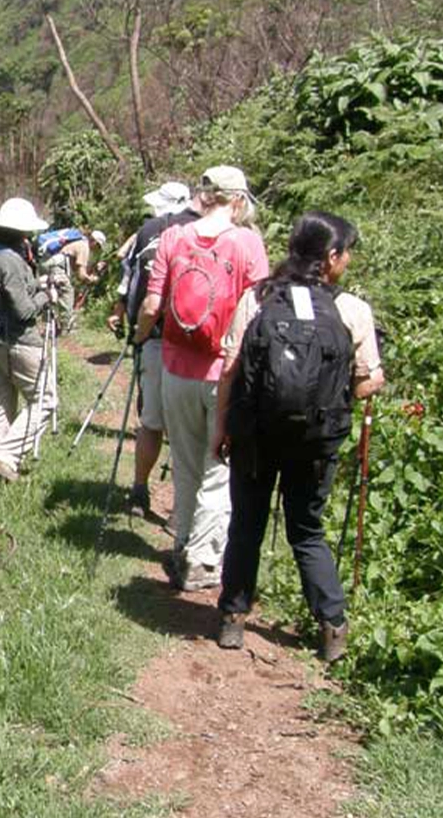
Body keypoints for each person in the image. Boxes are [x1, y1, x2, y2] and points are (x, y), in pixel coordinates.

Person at [213, 212, 383, 661]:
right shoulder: (352, 310)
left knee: (247, 524)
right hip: (315, 441)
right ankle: (332, 629)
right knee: (307, 530)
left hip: (255, 434)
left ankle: (232, 619)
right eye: (346, 252)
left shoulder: (259, 299)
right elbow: (365, 382)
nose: (347, 260)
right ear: (331, 257)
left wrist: (222, 427)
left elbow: (231, 370)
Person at [135, 167, 268, 592]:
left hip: (176, 367)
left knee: (188, 464)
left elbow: (153, 302)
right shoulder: (248, 243)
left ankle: (181, 546)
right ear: (237, 199)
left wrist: (137, 337)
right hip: (225, 371)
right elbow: (257, 312)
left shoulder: (175, 238)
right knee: (219, 469)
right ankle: (204, 560)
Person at [108, 180, 196, 513]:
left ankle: (140, 490)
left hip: (155, 337)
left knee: (151, 421)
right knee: (189, 432)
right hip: (198, 345)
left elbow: (130, 278)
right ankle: (182, 509)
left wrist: (137, 332)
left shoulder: (148, 231)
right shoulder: (208, 231)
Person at [0, 197, 56, 482]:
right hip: (19, 342)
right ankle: (6, 456)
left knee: (0, 404)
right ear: (22, 231)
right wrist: (47, 295)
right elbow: (23, 311)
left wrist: (36, 286)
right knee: (45, 401)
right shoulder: (9, 260)